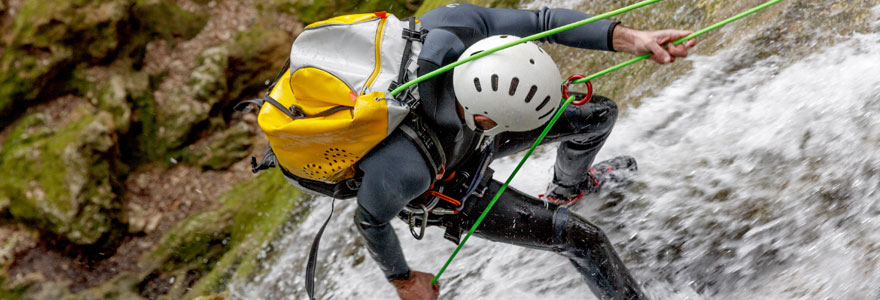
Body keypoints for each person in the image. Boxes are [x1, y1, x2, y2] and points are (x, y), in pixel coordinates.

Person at [352, 4, 696, 300]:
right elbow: (371, 220)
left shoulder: (458, 26)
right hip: (449, 183)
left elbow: (543, 22)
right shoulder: (404, 167)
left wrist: (632, 38)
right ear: (488, 120)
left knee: (599, 114)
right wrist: (404, 279)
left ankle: (567, 191)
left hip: (474, 125)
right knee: (585, 239)